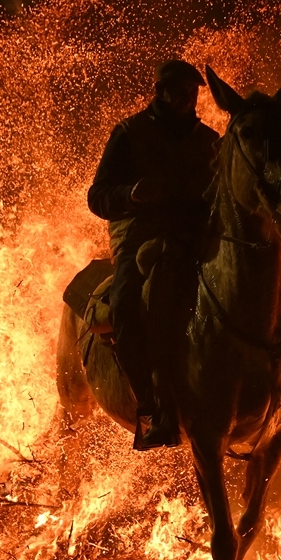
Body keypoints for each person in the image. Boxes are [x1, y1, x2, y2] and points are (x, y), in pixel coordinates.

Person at [87, 59, 219, 450]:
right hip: (139, 234)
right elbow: (98, 195)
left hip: (193, 235)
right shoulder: (129, 133)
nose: (189, 99)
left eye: (193, 93)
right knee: (127, 302)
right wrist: (130, 195)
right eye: (181, 91)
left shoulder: (209, 141)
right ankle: (151, 408)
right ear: (161, 90)